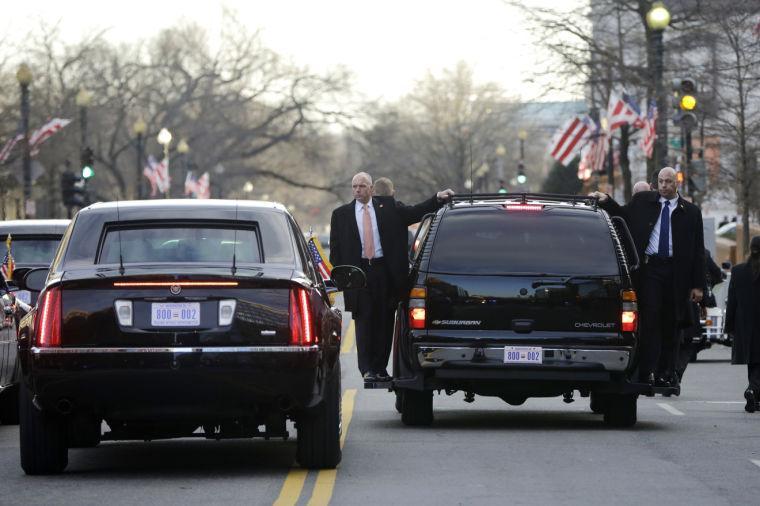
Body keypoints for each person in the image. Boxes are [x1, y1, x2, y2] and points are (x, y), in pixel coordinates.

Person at [330, 172, 454, 381]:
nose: (357, 190)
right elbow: (336, 250)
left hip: (384, 272)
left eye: (362, 186)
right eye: (354, 187)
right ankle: (367, 369)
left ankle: (380, 368)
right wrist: (345, 273)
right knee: (365, 321)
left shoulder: (388, 207)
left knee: (385, 322)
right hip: (359, 274)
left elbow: (415, 212)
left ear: (371, 189)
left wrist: (437, 198)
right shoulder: (341, 214)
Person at [590, 167, 705, 387]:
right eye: (661, 181)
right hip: (651, 270)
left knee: (671, 323)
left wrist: (698, 286)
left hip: (677, 274)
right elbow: (622, 215)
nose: (664, 186)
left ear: (676, 183)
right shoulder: (644, 201)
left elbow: (698, 250)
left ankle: (666, 372)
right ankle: (647, 371)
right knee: (651, 319)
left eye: (669, 182)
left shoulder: (690, 212)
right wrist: (607, 200)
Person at [724, 236, 760, 412]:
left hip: (744, 324)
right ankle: (752, 390)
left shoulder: (738, 272)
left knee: (753, 360)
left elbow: (732, 302)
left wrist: (729, 327)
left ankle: (754, 398)